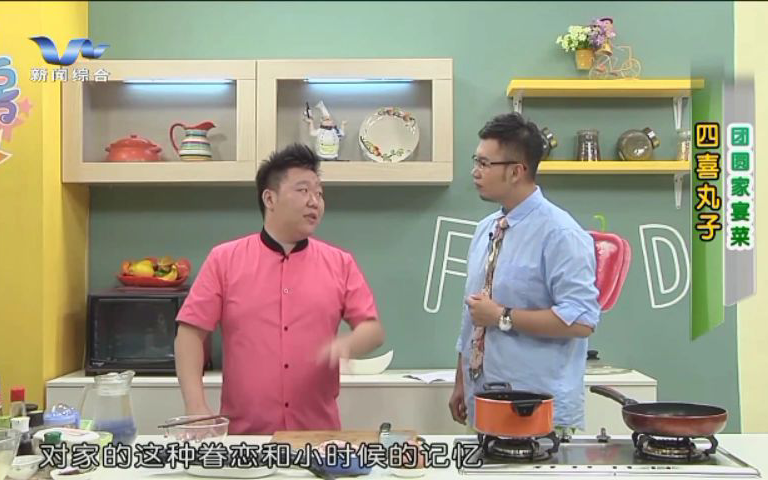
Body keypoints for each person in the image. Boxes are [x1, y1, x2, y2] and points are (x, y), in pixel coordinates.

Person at [175, 143, 385, 434]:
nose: (314, 201)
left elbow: (372, 330)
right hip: (245, 438)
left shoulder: (340, 263)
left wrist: (346, 345)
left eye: (319, 193)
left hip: (318, 437)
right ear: (269, 198)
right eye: (303, 190)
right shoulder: (224, 259)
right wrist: (195, 405)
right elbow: (189, 334)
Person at [449, 113, 601, 437]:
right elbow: (473, 315)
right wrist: (461, 382)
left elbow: (582, 320)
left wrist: (502, 316)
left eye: (485, 163)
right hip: (483, 402)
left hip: (538, 411)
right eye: (476, 161)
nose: (475, 171)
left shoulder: (560, 233)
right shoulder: (486, 229)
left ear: (517, 171)